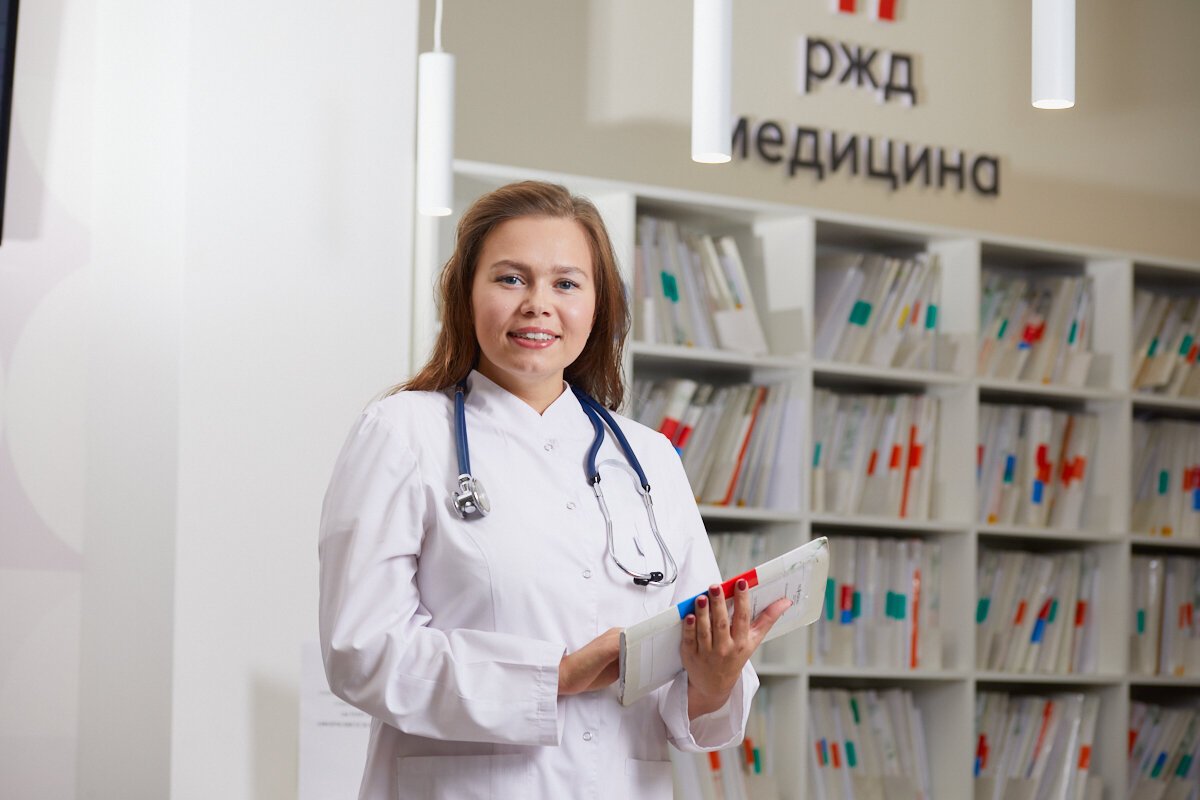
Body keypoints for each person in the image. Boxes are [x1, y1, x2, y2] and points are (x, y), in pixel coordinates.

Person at [318, 180, 792, 799]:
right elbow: (363, 651)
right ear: (466, 295)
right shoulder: (403, 433)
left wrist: (717, 675)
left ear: (598, 306)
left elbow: (692, 702)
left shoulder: (648, 457)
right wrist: (555, 677)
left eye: (566, 284)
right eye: (510, 279)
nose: (538, 304)